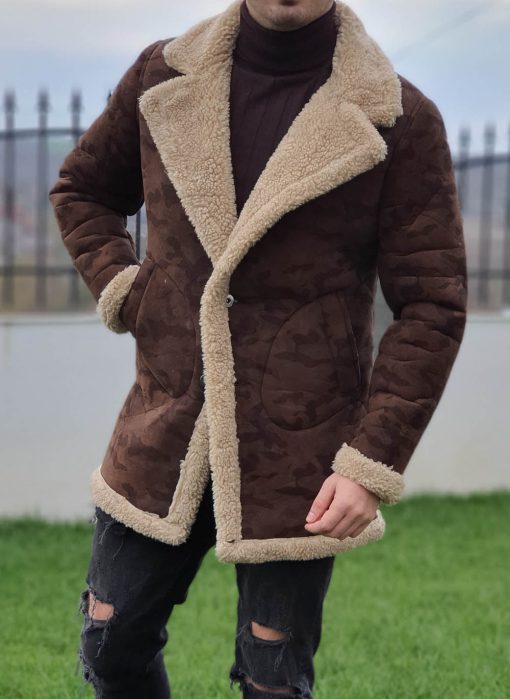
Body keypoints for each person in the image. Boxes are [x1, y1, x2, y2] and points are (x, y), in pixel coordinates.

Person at [48, 0, 468, 697]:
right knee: (110, 640)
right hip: (165, 427)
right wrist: (128, 290)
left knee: (273, 679)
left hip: (300, 451)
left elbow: (432, 303)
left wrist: (371, 462)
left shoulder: (400, 117)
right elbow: (83, 190)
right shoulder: (160, 75)